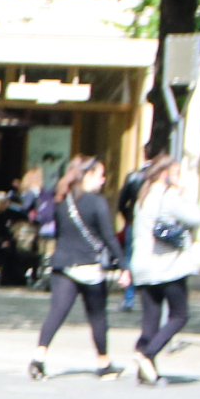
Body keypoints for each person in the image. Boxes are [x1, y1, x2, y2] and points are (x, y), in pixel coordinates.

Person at [29, 155, 123, 380]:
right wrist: (123, 264)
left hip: (62, 263)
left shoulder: (63, 200)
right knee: (98, 316)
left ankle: (38, 358)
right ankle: (104, 363)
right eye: (100, 175)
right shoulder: (97, 202)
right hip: (89, 265)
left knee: (56, 314)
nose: (103, 180)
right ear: (89, 176)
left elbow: (59, 232)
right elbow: (108, 237)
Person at [126, 157, 200, 384]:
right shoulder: (169, 196)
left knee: (150, 318)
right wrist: (184, 195)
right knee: (179, 315)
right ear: (165, 174)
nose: (178, 178)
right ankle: (148, 353)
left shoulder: (143, 196)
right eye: (176, 173)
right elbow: (196, 217)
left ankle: (146, 371)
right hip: (168, 267)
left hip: (143, 267)